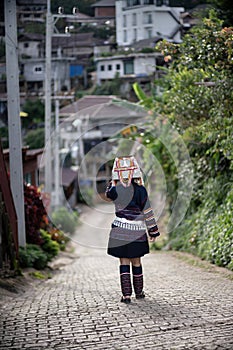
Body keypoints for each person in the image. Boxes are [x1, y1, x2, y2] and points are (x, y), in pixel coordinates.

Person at [105, 156, 160, 304]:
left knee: (124, 262)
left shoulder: (114, 190)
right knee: (137, 261)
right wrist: (152, 231)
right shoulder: (141, 190)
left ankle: (126, 295)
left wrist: (113, 181)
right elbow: (147, 211)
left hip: (120, 230)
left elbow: (108, 193)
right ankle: (139, 292)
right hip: (137, 231)